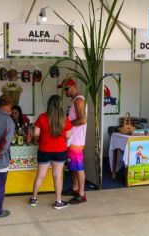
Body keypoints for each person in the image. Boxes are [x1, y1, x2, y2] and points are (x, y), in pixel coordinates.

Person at [29, 95, 72, 209]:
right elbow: (68, 135)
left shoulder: (42, 117)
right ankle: (58, 201)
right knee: (57, 176)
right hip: (60, 150)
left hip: (44, 150)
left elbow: (36, 134)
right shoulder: (65, 119)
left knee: (40, 175)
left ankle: (33, 198)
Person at [58, 77, 88, 205]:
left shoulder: (78, 101)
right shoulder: (74, 101)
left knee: (78, 167)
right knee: (73, 166)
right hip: (72, 140)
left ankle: (81, 194)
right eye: (64, 90)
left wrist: (67, 124)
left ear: (73, 86)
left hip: (76, 141)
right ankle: (75, 188)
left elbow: (83, 120)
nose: (65, 92)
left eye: (66, 89)